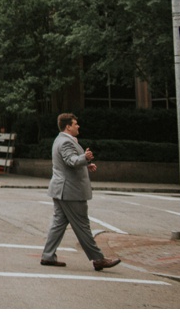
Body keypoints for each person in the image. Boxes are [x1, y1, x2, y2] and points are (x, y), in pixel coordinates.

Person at [40, 113, 121, 271]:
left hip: (61, 190)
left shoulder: (60, 140)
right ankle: (98, 259)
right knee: (82, 226)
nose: (78, 126)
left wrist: (85, 164)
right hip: (70, 191)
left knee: (58, 224)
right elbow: (71, 160)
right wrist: (85, 158)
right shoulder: (65, 142)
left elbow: (68, 162)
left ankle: (48, 256)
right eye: (75, 124)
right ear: (68, 126)